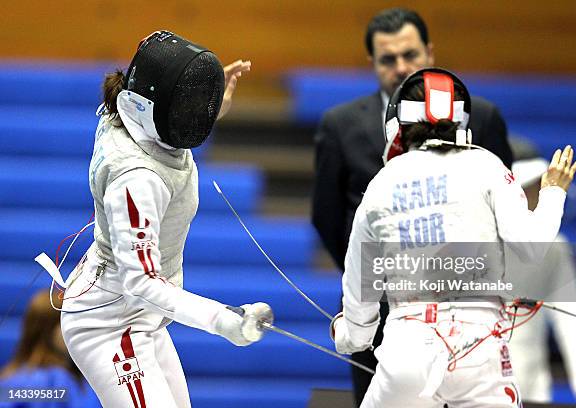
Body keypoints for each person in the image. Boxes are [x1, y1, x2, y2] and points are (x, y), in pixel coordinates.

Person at [330, 67, 576, 407]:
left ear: (398, 122)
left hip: (408, 349)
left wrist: (348, 335)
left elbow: (361, 291)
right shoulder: (487, 165)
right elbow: (530, 247)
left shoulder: (381, 184)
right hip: (479, 348)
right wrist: (552, 193)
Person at [58, 31, 273, 408]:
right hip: (109, 323)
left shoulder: (128, 113)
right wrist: (222, 320)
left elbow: (168, 120)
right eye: (187, 104)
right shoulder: (136, 178)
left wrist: (207, 99)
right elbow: (140, 282)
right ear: (149, 106)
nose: (196, 114)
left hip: (144, 316)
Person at [311, 8, 514, 404]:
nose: (401, 67)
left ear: (430, 52)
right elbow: (328, 216)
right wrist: (383, 275)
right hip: (381, 309)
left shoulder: (481, 117)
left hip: (471, 312)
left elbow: (505, 213)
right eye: (388, 59)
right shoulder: (341, 124)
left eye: (411, 55)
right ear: (372, 62)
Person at [509, 142, 576, 405]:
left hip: (532, 392)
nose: (537, 198)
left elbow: (571, 320)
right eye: (531, 190)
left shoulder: (554, 248)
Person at [0, 289, 99, 408]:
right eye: (69, 323)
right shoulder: (48, 381)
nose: (79, 331)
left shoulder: (13, 376)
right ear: (48, 329)